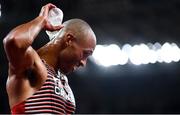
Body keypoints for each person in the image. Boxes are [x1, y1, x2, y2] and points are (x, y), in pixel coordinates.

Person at [3, 3, 96, 114]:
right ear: (69, 40)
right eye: (85, 54)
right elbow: (14, 41)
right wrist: (41, 20)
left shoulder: (63, 81)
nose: (83, 63)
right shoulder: (32, 64)